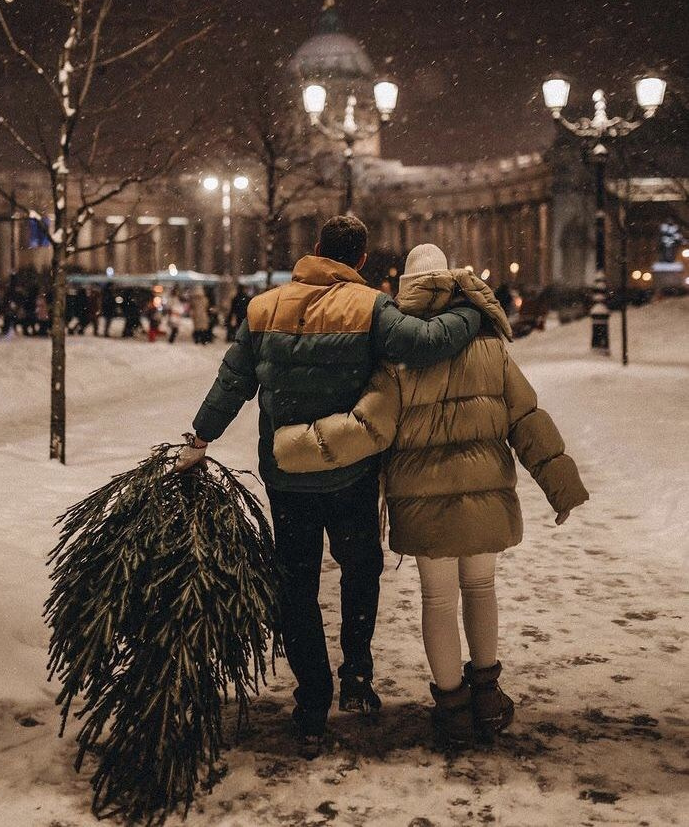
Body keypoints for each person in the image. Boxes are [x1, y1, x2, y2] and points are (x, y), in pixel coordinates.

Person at [175, 217, 481, 755]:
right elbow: (428, 343)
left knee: (296, 584)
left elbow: (232, 381)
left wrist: (200, 438)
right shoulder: (371, 308)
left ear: (314, 250)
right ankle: (357, 675)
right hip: (352, 471)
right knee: (360, 568)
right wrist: (472, 306)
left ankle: (312, 700)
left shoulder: (264, 307)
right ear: (359, 260)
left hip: (288, 475)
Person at [273, 244, 589, 750]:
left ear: (407, 290)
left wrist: (293, 445)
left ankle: (451, 706)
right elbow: (527, 417)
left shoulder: (398, 357)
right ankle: (487, 696)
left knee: (438, 599)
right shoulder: (488, 344)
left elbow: (365, 427)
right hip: (485, 493)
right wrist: (561, 486)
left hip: (421, 500)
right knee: (481, 589)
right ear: (454, 279)